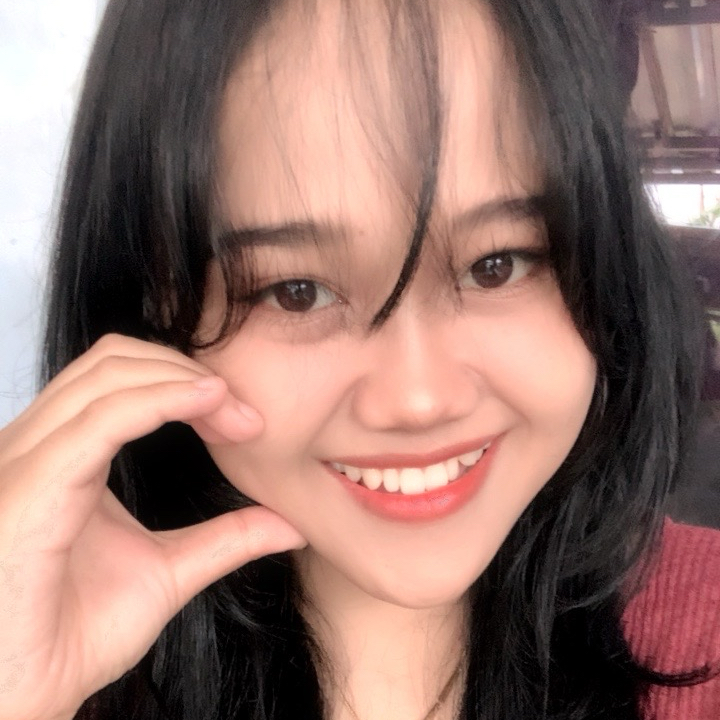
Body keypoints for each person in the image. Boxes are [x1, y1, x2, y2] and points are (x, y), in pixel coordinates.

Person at [0, 0, 718, 719]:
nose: (418, 399)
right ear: (154, 303)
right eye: (296, 292)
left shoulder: (705, 624)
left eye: (496, 264)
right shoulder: (49, 663)